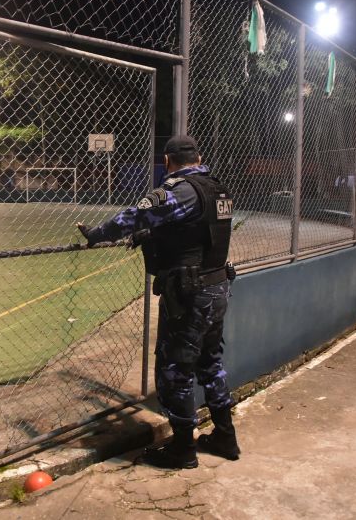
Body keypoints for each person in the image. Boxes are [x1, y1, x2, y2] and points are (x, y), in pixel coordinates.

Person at [76, 135, 240, 469]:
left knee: (174, 369)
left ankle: (183, 448)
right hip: (217, 288)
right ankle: (225, 435)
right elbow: (194, 230)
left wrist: (97, 234)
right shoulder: (217, 188)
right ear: (199, 156)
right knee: (210, 363)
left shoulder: (181, 189)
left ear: (167, 161)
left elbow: (135, 216)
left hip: (189, 294)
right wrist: (152, 235)